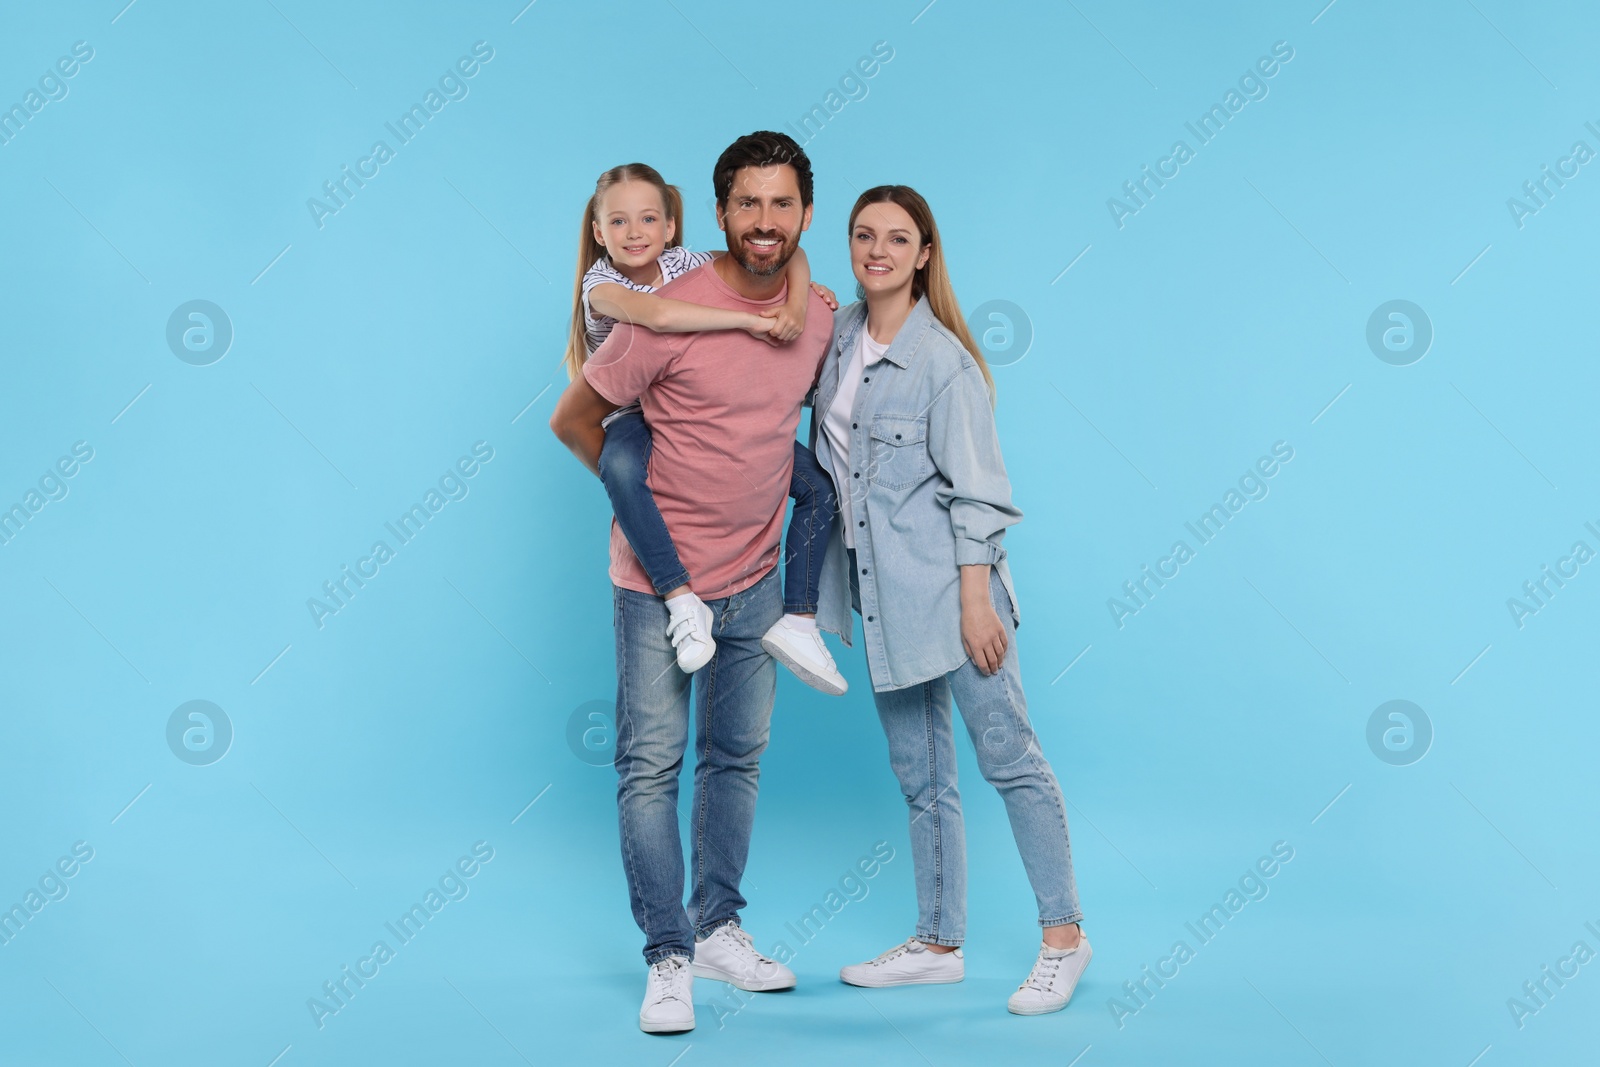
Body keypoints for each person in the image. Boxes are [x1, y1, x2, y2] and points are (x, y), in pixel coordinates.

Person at [549, 132, 833, 1034]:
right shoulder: (656, 306)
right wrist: (643, 515)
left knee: (734, 761)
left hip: (755, 580)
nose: (764, 221)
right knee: (650, 768)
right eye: (747, 203)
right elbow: (574, 419)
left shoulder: (818, 312)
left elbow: (790, 432)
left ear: (805, 215)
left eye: (781, 204)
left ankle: (718, 929)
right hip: (655, 587)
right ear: (715, 214)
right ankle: (668, 953)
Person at [815, 186, 1091, 1015]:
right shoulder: (838, 340)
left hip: (955, 591)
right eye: (864, 235)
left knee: (1010, 759)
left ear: (925, 253)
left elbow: (979, 495)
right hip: (886, 600)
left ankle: (1064, 937)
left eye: (898, 238)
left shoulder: (944, 363)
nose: (878, 250)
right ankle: (938, 941)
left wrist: (977, 603)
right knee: (921, 777)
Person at [563, 162, 846, 694]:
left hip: (703, 437)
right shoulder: (601, 284)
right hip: (630, 418)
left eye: (648, 218)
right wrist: (751, 321)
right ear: (599, 232)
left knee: (818, 487)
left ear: (672, 226)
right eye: (618, 223)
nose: (634, 233)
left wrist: (801, 298)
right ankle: (677, 596)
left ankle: (800, 619)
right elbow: (661, 317)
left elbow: (777, 252)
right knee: (622, 469)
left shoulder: (683, 262)